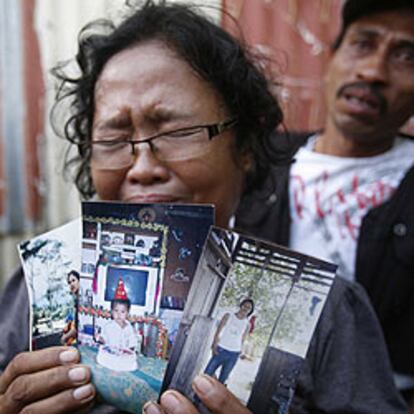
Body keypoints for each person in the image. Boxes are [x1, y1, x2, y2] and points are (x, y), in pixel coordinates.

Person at [0, 1, 407, 413]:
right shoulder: (35, 290)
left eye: (177, 131)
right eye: (113, 139)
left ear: (245, 146)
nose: (142, 168)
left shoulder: (328, 313)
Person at [236, 0, 414, 408]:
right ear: (331, 58)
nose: (373, 72)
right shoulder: (259, 161)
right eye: (363, 44)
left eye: (406, 56)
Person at [204, 299, 254, 384]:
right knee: (207, 375)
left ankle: (214, 397)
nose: (246, 308)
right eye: (245, 306)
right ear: (241, 305)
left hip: (234, 354)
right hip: (221, 349)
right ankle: (196, 397)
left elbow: (243, 339)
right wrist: (214, 345)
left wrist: (240, 352)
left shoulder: (247, 324)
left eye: (249, 308)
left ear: (250, 311)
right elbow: (218, 331)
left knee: (222, 379)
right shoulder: (228, 316)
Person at [96, 279, 138, 372]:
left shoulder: (129, 327)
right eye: (116, 311)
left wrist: (129, 352)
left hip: (123, 355)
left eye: (122, 312)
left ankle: (123, 365)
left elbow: (132, 341)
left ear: (127, 313)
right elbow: (104, 340)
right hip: (111, 353)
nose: (119, 314)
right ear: (111, 311)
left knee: (132, 364)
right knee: (103, 357)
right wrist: (100, 339)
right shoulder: (108, 326)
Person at [61, 270, 80, 346]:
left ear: (79, 281)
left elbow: (76, 329)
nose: (71, 284)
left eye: (73, 280)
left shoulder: (81, 301)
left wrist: (64, 337)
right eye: (69, 282)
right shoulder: (75, 301)